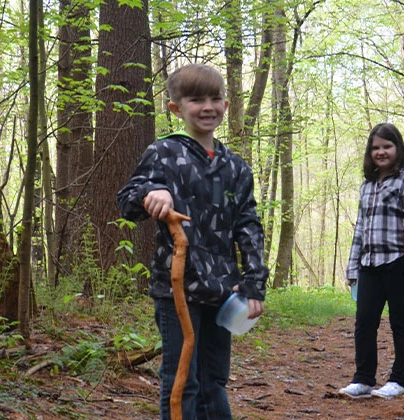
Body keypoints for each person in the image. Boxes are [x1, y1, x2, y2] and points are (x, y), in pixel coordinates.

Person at [116, 63, 268, 419]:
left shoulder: (236, 167)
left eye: (215, 99)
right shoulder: (164, 154)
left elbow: (249, 226)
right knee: (182, 380)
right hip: (177, 291)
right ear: (176, 108)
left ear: (226, 106)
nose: (207, 107)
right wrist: (152, 192)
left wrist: (254, 284)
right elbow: (127, 201)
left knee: (214, 379)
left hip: (225, 291)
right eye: (196, 99)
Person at [339, 122, 404, 400]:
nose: (381, 152)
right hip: (369, 264)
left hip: (399, 263)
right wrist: (353, 266)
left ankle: (402, 380)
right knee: (364, 322)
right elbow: (360, 229)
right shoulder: (368, 186)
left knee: (400, 321)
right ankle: (363, 379)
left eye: (387, 146)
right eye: (375, 147)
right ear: (369, 152)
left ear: (398, 149)